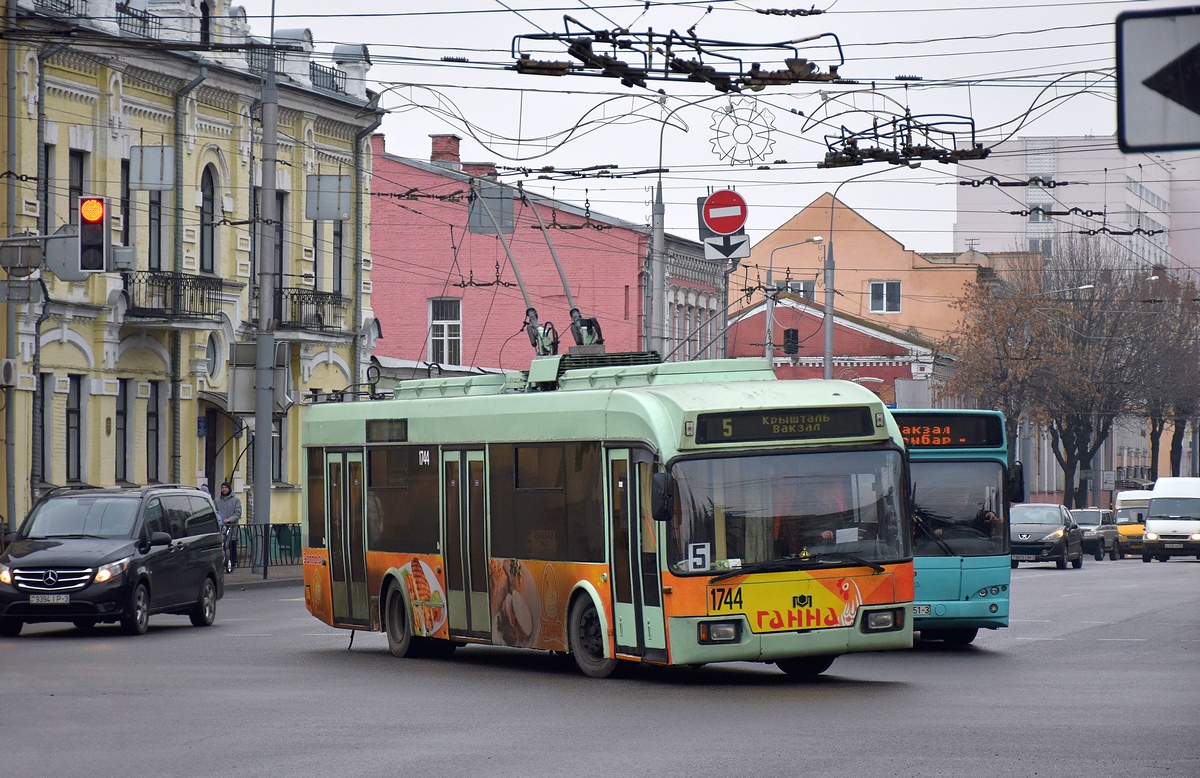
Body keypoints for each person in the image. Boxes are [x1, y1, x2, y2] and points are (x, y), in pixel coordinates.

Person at [215, 481, 242, 570]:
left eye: (226, 487)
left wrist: (229, 520)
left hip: (231, 527)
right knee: (221, 547)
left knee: (232, 546)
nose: (224, 489)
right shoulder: (217, 500)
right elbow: (215, 512)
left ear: (229, 488)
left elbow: (238, 513)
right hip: (220, 527)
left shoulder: (235, 500)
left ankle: (233, 563)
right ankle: (222, 564)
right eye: (222, 487)